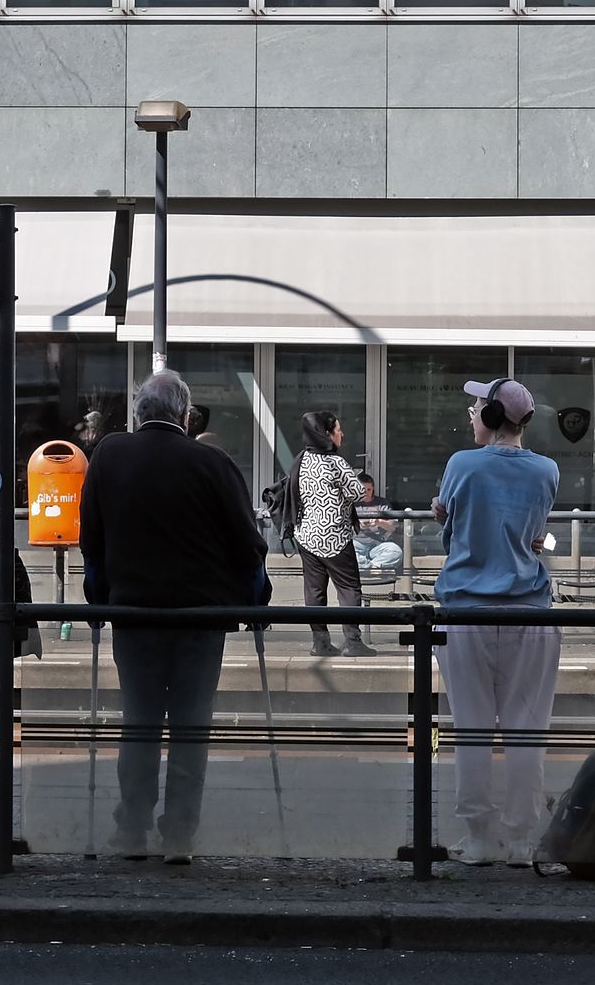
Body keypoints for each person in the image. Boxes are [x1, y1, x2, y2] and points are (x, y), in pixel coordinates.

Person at [79, 370, 269, 865]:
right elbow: (247, 544)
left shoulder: (109, 455)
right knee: (191, 724)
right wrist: (256, 598)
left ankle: (132, 830)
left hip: (133, 612)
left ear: (137, 413)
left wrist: (98, 597)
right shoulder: (212, 462)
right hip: (198, 618)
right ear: (185, 416)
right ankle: (179, 836)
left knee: (139, 720)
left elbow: (91, 538)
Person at [431, 377, 560, 870]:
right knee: (528, 728)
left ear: (490, 417)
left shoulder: (461, 464)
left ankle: (479, 837)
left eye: (476, 407)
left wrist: (443, 515)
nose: (470, 414)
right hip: (530, 612)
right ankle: (521, 840)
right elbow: (532, 537)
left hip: (466, 612)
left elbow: (454, 533)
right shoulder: (547, 470)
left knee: (471, 727)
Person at [292, 411, 376, 658]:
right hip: (334, 536)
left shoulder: (302, 460)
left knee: (314, 591)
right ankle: (353, 642)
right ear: (326, 434)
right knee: (349, 588)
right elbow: (358, 493)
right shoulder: (335, 462)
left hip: (306, 535)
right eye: (338, 430)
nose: (342, 434)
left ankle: (320, 643)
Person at [354, 474, 402, 571]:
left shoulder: (382, 503)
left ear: (373, 489)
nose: (366, 493)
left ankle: (369, 567)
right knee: (345, 552)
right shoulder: (351, 504)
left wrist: (379, 522)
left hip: (378, 544)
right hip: (357, 544)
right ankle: (372, 567)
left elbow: (392, 527)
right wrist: (359, 525)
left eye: (368, 490)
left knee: (396, 551)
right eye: (363, 490)